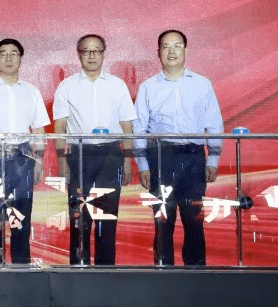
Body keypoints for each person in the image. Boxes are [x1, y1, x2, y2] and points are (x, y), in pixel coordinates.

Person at [133, 29, 224, 266]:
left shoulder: (202, 84)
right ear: (158, 52)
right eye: (166, 46)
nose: (171, 51)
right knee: (163, 219)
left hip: (193, 158)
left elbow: (214, 123)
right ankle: (163, 274)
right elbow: (139, 128)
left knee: (194, 219)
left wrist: (213, 158)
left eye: (177, 46)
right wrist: (142, 163)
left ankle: (195, 275)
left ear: (185, 50)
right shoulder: (148, 87)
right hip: (161, 158)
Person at [52, 34, 136, 265]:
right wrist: (61, 160)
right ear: (78, 55)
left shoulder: (117, 85)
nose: (91, 56)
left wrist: (127, 160)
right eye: (86, 51)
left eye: (96, 51)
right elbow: (60, 126)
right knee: (79, 217)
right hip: (79, 155)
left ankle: (105, 270)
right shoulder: (66, 86)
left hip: (111, 155)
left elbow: (127, 126)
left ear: (104, 54)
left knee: (107, 217)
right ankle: (79, 270)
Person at [0, 38, 49, 264]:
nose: (9, 58)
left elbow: (39, 129)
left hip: (23, 158)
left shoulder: (31, 91)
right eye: (3, 53)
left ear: (21, 58)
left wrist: (39, 161)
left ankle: (21, 268)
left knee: (21, 216)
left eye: (14, 53)